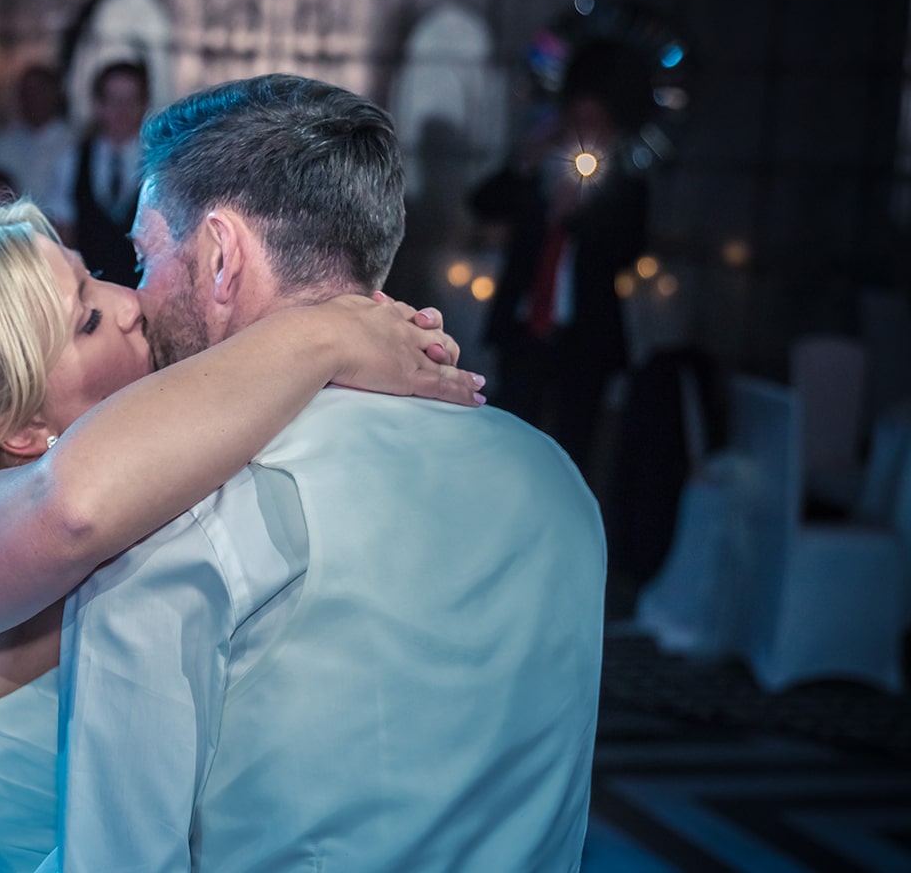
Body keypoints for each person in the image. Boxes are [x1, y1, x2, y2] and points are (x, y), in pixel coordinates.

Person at [0, 199, 486, 871]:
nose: (129, 304)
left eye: (93, 273)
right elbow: (72, 508)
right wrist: (327, 333)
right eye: (87, 319)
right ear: (22, 427)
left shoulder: (128, 473)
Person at [37, 75, 606, 871]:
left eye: (146, 253)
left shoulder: (182, 511)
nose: (137, 295)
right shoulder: (555, 478)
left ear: (221, 256)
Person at [468, 40, 652, 472]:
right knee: (512, 444)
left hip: (585, 339)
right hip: (524, 331)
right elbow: (482, 203)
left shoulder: (624, 187)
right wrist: (524, 166)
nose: (584, 130)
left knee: (576, 450)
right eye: (576, 119)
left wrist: (577, 217)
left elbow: (628, 250)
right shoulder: (539, 173)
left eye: (595, 121)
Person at [46, 61, 147, 287]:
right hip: (91, 290)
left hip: (144, 291)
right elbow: (64, 234)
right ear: (98, 105)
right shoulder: (71, 161)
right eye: (113, 100)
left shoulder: (159, 163)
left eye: (130, 100)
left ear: (143, 104)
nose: (122, 110)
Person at [0, 64, 71, 206]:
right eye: (26, 92)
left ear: (55, 95)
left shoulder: (74, 144)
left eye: (39, 91)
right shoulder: (2, 144)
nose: (32, 99)